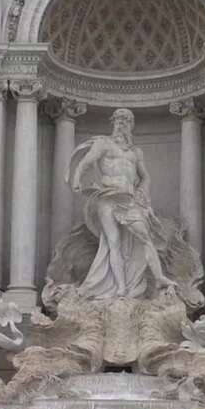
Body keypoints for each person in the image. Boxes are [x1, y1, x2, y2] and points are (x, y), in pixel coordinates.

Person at [67, 108, 177, 300]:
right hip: (107, 198)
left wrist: (143, 196)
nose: (122, 124)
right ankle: (120, 288)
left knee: (145, 237)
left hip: (129, 199)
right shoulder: (103, 144)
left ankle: (159, 277)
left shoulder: (136, 153)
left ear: (131, 126)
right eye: (118, 120)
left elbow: (145, 178)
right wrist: (76, 178)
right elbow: (85, 163)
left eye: (126, 121)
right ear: (113, 123)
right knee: (113, 242)